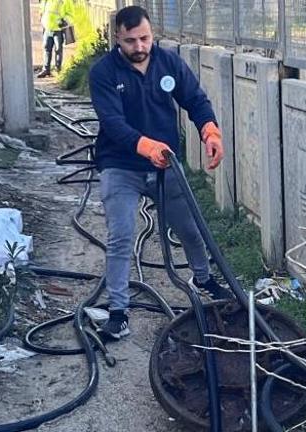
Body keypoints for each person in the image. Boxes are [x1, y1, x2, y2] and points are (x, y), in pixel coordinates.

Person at [89, 5, 230, 339]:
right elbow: (113, 123)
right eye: (130, 41)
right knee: (121, 236)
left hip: (166, 165)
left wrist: (210, 132)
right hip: (120, 165)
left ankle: (203, 279)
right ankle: (118, 312)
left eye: (145, 38)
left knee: (191, 230)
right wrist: (146, 146)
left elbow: (195, 100)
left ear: (152, 34)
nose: (139, 47)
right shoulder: (103, 73)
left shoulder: (168, 63)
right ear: (117, 38)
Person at [38, 0, 74, 78]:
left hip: (58, 29)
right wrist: (42, 19)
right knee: (47, 48)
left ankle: (58, 69)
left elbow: (71, 14)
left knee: (58, 49)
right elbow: (42, 10)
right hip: (47, 28)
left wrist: (64, 21)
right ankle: (46, 69)